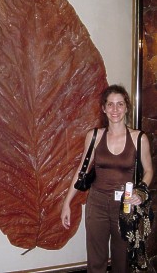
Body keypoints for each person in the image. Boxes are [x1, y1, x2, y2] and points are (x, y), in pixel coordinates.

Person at [61, 84, 153, 273]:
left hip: (125, 206)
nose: (115, 110)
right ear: (103, 108)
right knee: (96, 260)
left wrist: (140, 191)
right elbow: (82, 170)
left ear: (126, 107)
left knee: (122, 260)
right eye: (110, 104)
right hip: (97, 203)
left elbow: (149, 171)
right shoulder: (94, 136)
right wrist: (66, 203)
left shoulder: (138, 138)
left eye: (120, 104)